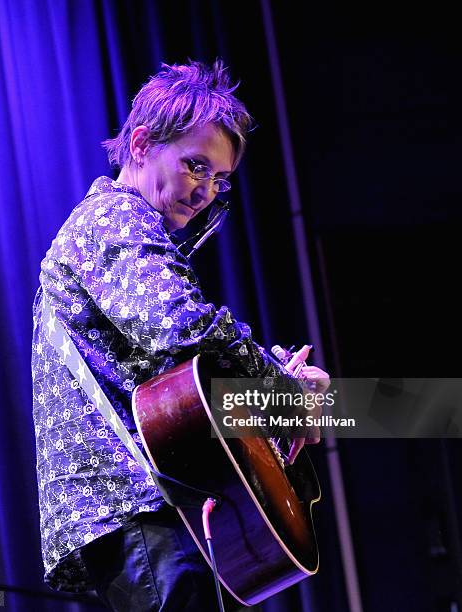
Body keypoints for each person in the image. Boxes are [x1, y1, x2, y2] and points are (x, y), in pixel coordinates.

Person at [31, 59, 329, 611]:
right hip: (129, 499)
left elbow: (179, 379)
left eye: (219, 180)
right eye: (196, 167)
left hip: (159, 498)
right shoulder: (112, 218)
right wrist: (280, 389)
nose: (206, 193)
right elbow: (180, 327)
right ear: (142, 144)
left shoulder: (133, 227)